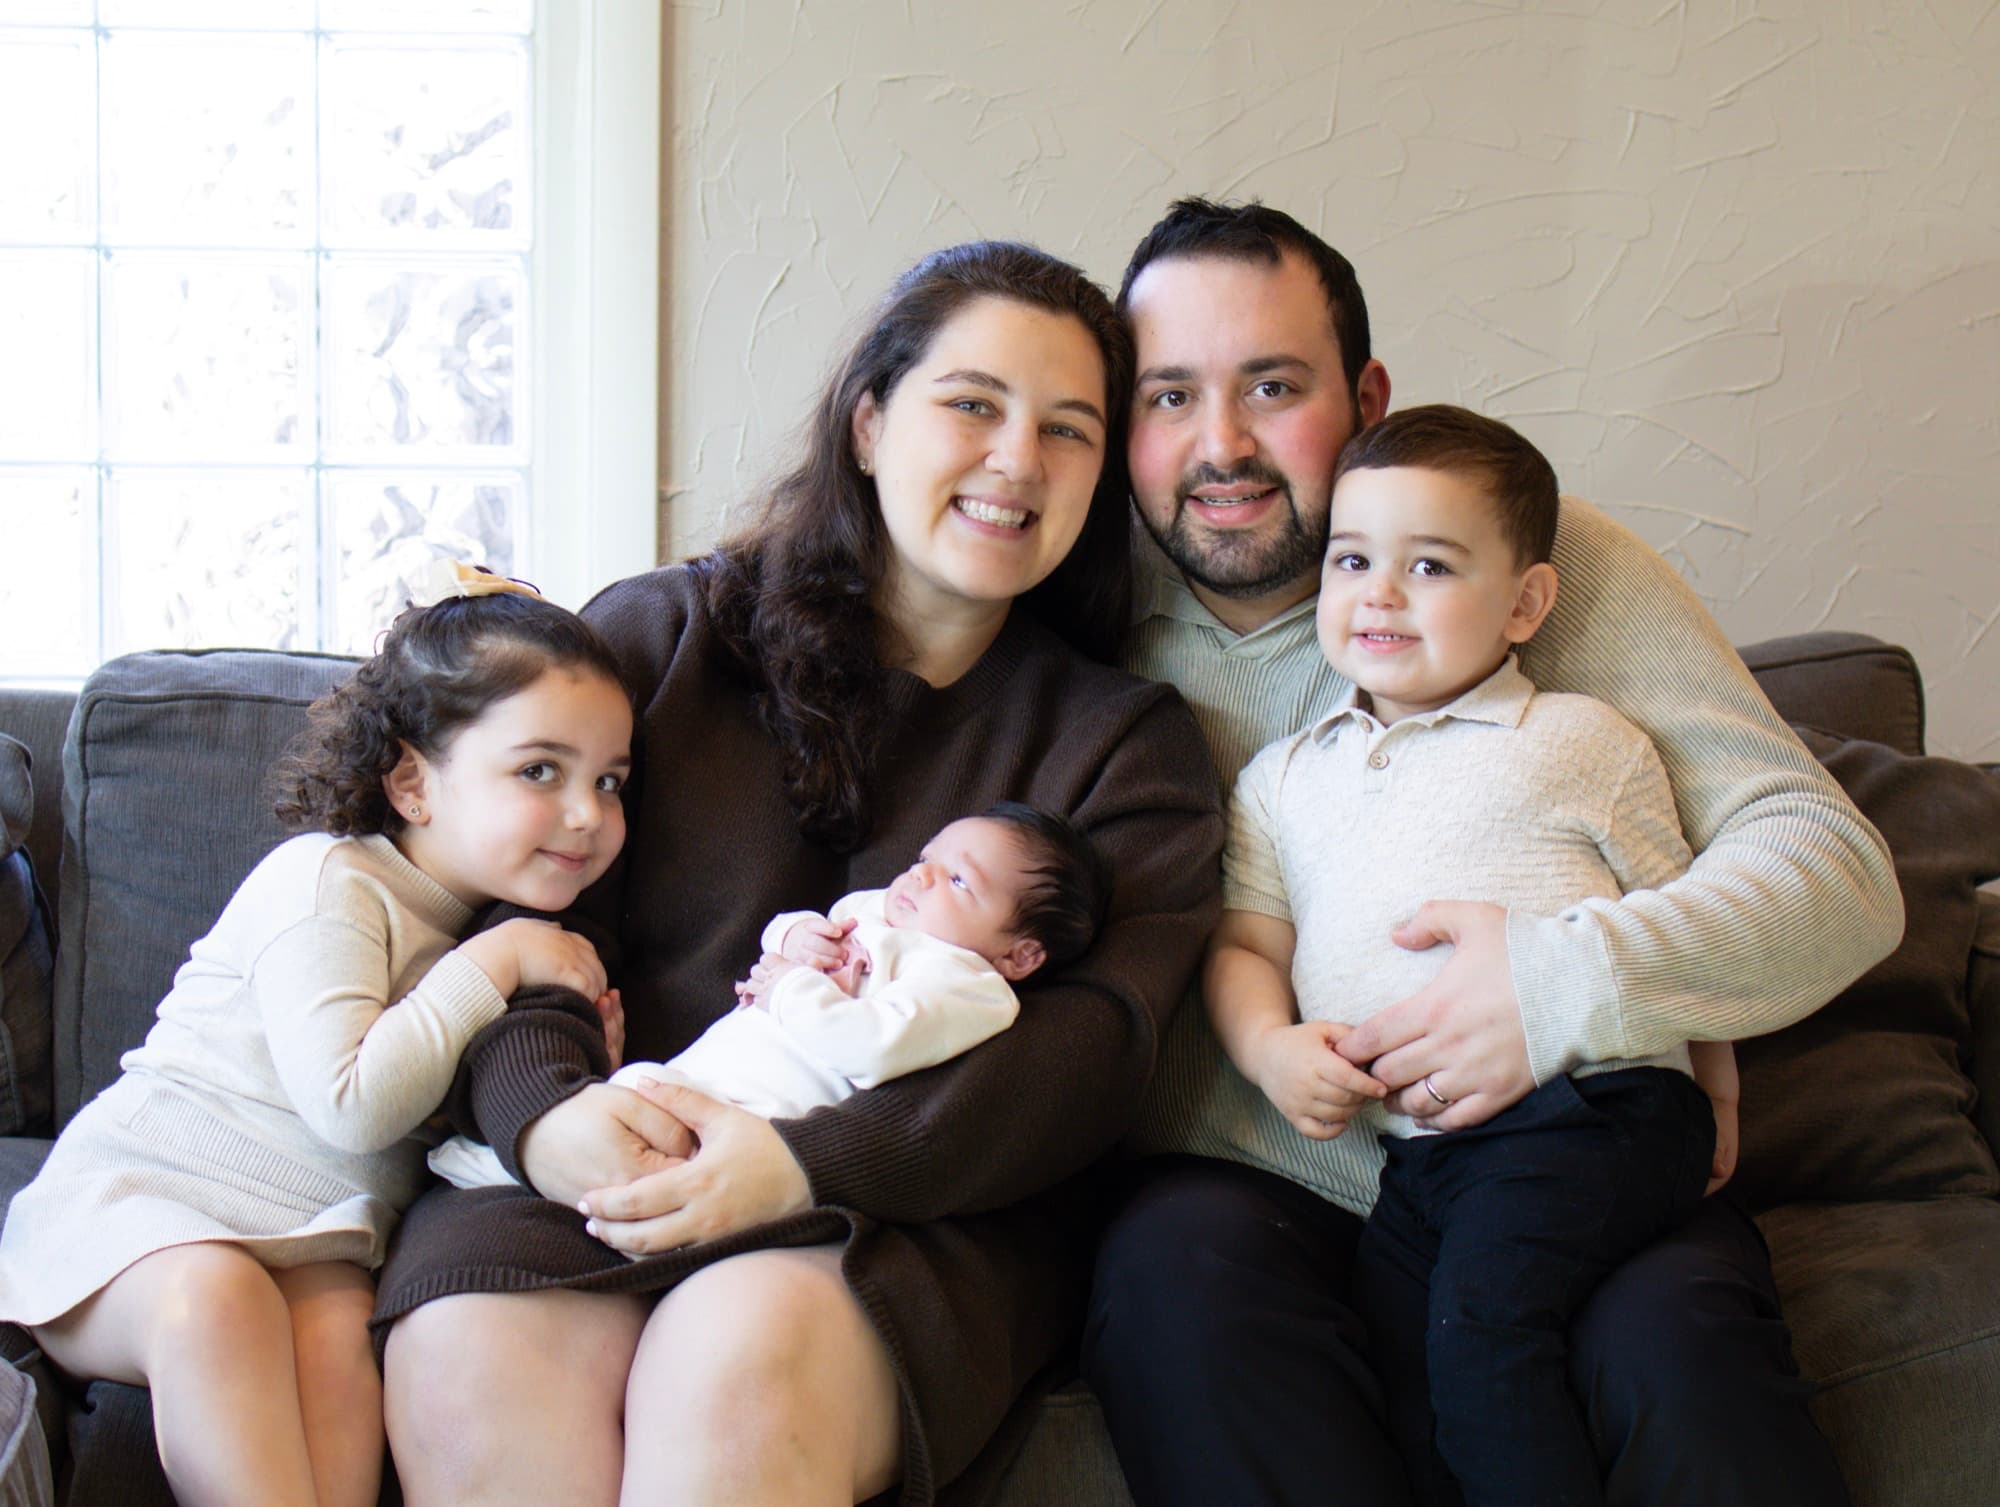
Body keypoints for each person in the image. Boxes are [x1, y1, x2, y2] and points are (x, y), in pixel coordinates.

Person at [372, 241, 1222, 1507]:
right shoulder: (656, 641)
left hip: (906, 1214)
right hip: (604, 1148)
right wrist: (547, 1117)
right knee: (468, 1348)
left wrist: (808, 1164)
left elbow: (1092, 1052)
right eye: (972, 405)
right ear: (870, 424)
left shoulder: (1124, 745)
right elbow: (519, 915)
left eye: (1067, 429)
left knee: (735, 1361)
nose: (1015, 461)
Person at [1082, 197, 1903, 1506]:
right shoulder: (1068, 603)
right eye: (1168, 394)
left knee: (1676, 1335)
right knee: (1172, 1274)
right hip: (1272, 1172)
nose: (1219, 444)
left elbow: (1833, 872)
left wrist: (1565, 980)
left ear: (1365, 397)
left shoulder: (1536, 556)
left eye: (1273, 386)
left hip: (1567, 1147)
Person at [0, 578, 634, 1507]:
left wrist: (586, 1071)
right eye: (541, 770)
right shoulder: (326, 881)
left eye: (609, 780)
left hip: (316, 1242)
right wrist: (495, 966)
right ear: (413, 783)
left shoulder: (486, 937)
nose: (587, 812)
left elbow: (446, 1136)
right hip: (140, 1210)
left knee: (341, 1336)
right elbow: (354, 1102)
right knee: (219, 1298)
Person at [1209, 404, 1737, 1507]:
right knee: (1401, 1354)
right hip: (1425, 1156)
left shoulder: (1578, 739)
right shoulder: (1281, 778)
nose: (1379, 593)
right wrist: (1266, 1051)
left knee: (1480, 1335)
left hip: (1594, 1111)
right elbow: (1247, 941)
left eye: (1430, 565)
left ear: (1524, 602)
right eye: (1351, 558)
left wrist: (1716, 1094)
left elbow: (1684, 918)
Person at [427, 802, 1111, 1190]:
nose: (924, 877)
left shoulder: (970, 986)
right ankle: (532, 1159)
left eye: (960, 882)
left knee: (654, 1130)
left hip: (763, 1115)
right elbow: (789, 929)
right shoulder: (883, 911)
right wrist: (796, 941)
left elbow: (872, 1047)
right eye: (927, 857)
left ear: (1020, 954)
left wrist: (793, 988)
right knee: (631, 1093)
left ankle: (515, 1176)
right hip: (715, 1070)